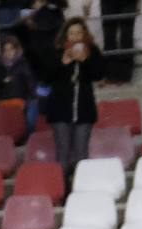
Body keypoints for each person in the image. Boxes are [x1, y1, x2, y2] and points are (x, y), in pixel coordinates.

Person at [45, 20, 101, 183]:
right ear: (65, 36)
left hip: (83, 110)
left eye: (79, 33)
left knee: (81, 153)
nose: (76, 37)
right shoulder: (56, 52)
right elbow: (47, 77)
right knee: (62, 153)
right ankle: (63, 190)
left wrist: (86, 60)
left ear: (84, 34)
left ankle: (82, 188)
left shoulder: (92, 51)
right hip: (60, 110)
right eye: (72, 33)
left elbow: (99, 74)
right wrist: (63, 62)